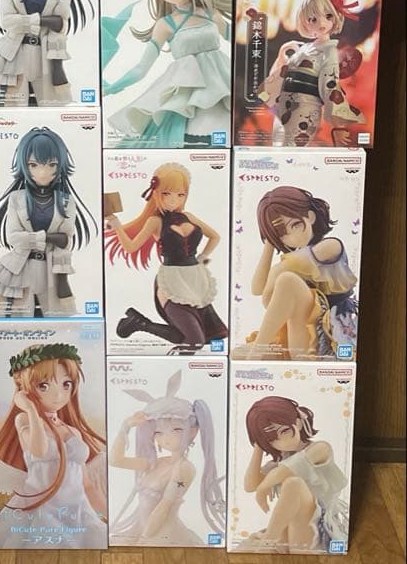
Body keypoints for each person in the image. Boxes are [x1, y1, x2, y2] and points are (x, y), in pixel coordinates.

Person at [102, 0, 231, 147]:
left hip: (221, 86)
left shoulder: (210, 14)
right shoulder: (165, 25)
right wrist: (111, 89)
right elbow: (141, 68)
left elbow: (240, 43)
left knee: (222, 135)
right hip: (186, 93)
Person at [0, 343, 107, 548]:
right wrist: (30, 410)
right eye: (43, 385)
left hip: (77, 508)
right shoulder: (25, 420)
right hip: (42, 507)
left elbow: (86, 483)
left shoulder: (73, 432)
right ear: (25, 387)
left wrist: (108, 514)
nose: (58, 395)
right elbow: (39, 451)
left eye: (66, 384)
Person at [105, 162, 227, 353]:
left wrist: (202, 258)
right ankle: (143, 325)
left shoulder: (189, 216)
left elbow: (215, 236)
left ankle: (139, 323)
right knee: (195, 341)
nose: (173, 200)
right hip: (171, 281)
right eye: (166, 193)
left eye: (180, 194)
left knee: (206, 337)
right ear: (156, 193)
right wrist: (116, 224)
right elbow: (131, 247)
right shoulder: (155, 221)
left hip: (196, 281)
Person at [0, 126, 96, 316]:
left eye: (51, 165)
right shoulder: (16, 198)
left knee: (55, 318)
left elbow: (66, 240)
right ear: (24, 166)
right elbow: (14, 238)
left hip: (50, 269)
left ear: (60, 165)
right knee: (13, 317)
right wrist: (48, 237)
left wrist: (62, 276)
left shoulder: (66, 201)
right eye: (33, 165)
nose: (42, 173)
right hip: (18, 267)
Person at [231, 186, 358, 360]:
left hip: (330, 332)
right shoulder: (292, 260)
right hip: (298, 333)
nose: (292, 236)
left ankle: (258, 351)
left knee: (287, 280)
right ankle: (261, 352)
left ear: (310, 216)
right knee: (237, 354)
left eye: (295, 224)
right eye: (282, 233)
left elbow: (275, 284)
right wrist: (270, 243)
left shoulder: (331, 246)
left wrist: (276, 278)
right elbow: (257, 289)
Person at [109, 369, 225, 545]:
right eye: (158, 433)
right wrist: (125, 427)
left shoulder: (184, 468)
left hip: (161, 534)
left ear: (193, 432)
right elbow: (115, 461)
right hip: (142, 529)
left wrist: (144, 539)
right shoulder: (156, 463)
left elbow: (164, 507)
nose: (166, 439)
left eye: (176, 430)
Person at [241, 396, 348, 552]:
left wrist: (263, 487)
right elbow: (250, 485)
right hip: (288, 529)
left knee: (293, 483)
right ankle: (271, 539)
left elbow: (288, 469)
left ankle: (269, 540)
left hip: (318, 527)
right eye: (272, 439)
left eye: (284, 431)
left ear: (298, 423)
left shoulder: (320, 449)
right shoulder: (280, 462)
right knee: (243, 548)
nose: (282, 441)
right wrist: (259, 446)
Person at [258, 0, 365, 147]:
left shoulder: (329, 53)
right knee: (278, 145)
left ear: (336, 16)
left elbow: (330, 87)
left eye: (328, 16)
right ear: (305, 21)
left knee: (292, 148)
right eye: (313, 19)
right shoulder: (305, 47)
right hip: (285, 103)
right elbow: (283, 73)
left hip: (305, 108)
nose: (321, 23)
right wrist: (282, 54)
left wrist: (338, 126)